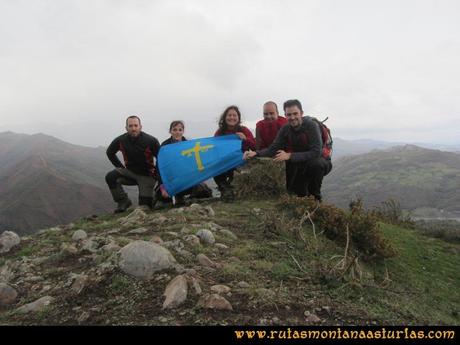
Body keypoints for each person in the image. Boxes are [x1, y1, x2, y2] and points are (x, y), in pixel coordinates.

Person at [244, 99, 332, 201]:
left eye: (295, 114)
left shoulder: (311, 125)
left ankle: (317, 201)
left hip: (321, 162)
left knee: (315, 166)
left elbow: (317, 152)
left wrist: (289, 155)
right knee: (296, 194)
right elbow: (273, 149)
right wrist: (256, 153)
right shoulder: (286, 128)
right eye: (289, 115)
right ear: (285, 115)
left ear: (301, 113)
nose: (292, 117)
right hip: (301, 164)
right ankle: (303, 207)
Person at [105, 115, 160, 213]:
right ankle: (123, 201)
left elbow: (160, 158)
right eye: (130, 126)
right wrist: (120, 168)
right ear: (126, 128)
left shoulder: (151, 140)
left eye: (136, 125)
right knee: (111, 176)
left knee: (145, 207)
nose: (133, 128)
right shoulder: (121, 140)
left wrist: (157, 175)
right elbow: (110, 152)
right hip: (130, 173)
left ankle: (154, 198)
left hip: (147, 175)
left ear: (140, 127)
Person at [158, 120, 213, 206]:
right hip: (171, 178)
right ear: (170, 131)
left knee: (204, 191)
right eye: (174, 129)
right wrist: (162, 186)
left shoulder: (188, 144)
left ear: (183, 131)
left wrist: (200, 176)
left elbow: (193, 162)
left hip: (186, 176)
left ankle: (187, 196)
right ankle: (177, 196)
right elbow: (160, 166)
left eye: (180, 130)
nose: (177, 132)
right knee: (161, 202)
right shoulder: (165, 146)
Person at [214, 105, 256, 201]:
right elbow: (215, 148)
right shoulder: (220, 132)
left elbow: (254, 146)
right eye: (229, 115)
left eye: (234, 115)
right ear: (225, 117)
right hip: (225, 161)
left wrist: (245, 139)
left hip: (241, 161)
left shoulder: (244, 130)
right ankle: (225, 190)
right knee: (215, 167)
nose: (232, 117)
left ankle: (232, 190)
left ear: (238, 118)